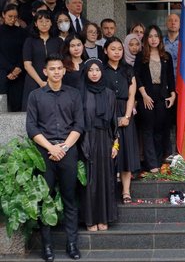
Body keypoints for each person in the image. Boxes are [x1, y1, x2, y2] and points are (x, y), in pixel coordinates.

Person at [26, 54, 84, 262]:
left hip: (68, 151)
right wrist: (51, 147)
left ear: (64, 70)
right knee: (45, 199)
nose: (57, 72)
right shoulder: (35, 96)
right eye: (52, 69)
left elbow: (79, 124)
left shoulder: (74, 94)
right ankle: (47, 247)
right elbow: (31, 127)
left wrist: (64, 147)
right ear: (45, 71)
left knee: (70, 199)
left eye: (60, 68)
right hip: (45, 152)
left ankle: (72, 244)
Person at [80, 58, 118, 232]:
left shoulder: (109, 93)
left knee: (105, 179)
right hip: (86, 139)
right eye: (90, 70)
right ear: (86, 72)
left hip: (105, 139)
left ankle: (104, 217)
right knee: (90, 180)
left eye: (97, 70)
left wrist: (115, 145)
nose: (94, 73)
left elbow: (113, 123)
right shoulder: (80, 93)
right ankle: (90, 219)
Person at [103, 37, 140, 204]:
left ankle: (126, 191)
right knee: (109, 153)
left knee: (126, 153)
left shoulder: (128, 69)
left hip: (125, 111)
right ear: (105, 51)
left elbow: (132, 94)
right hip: (106, 112)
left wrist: (126, 116)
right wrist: (109, 118)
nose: (117, 52)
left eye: (119, 49)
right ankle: (109, 191)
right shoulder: (101, 70)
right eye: (113, 49)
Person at [135, 25, 176, 171]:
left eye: (156, 36)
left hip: (162, 96)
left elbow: (171, 78)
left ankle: (160, 162)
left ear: (160, 38)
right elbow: (137, 77)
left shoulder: (166, 56)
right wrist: (144, 95)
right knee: (148, 130)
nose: (153, 39)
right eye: (150, 36)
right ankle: (151, 164)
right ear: (146, 39)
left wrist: (173, 95)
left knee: (160, 130)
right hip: (146, 95)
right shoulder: (141, 56)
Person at [22, 10, 63, 110]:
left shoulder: (58, 41)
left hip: (54, 81)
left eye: (47, 21)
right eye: (40, 21)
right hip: (34, 81)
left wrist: (51, 80)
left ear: (51, 23)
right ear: (35, 24)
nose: (44, 24)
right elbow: (27, 64)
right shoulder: (30, 41)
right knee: (32, 112)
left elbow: (62, 62)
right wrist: (40, 82)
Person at [0, 4, 28, 111]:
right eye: (10, 16)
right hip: (3, 72)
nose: (13, 19)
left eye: (15, 17)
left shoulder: (23, 32)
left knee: (17, 106)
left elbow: (24, 52)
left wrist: (18, 68)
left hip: (19, 73)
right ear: (3, 15)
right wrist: (11, 69)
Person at [163, 13, 180, 77]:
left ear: (180, 24)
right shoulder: (160, 42)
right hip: (165, 78)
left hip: (182, 80)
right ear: (166, 24)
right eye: (170, 20)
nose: (173, 23)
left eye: (176, 20)